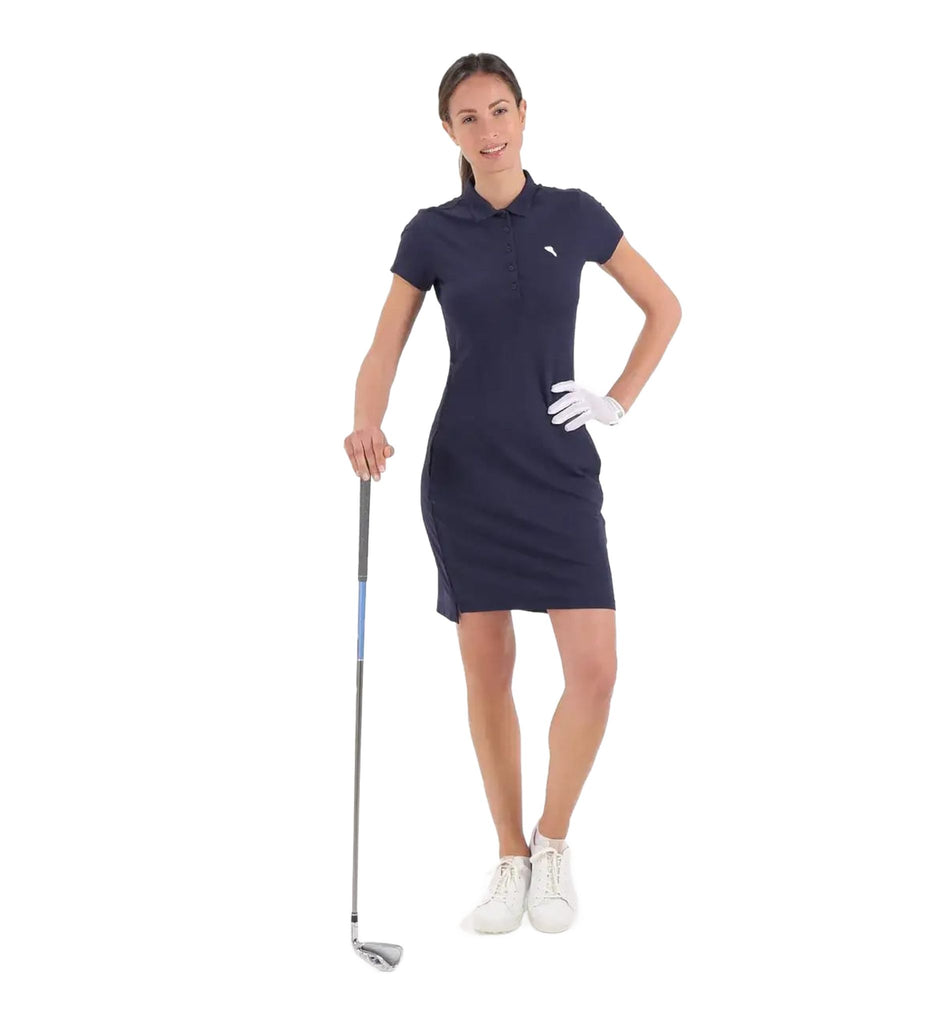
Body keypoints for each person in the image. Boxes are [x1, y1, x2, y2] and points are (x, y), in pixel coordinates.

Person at [344, 53, 681, 934]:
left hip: (559, 474)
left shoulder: (574, 214)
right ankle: (509, 856)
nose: (488, 131)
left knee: (596, 672)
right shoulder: (431, 232)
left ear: (524, 114)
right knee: (488, 671)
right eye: (469, 118)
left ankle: (553, 840)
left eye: (500, 111)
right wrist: (366, 421)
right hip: (468, 479)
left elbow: (665, 307)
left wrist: (617, 399)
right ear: (448, 131)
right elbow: (384, 347)